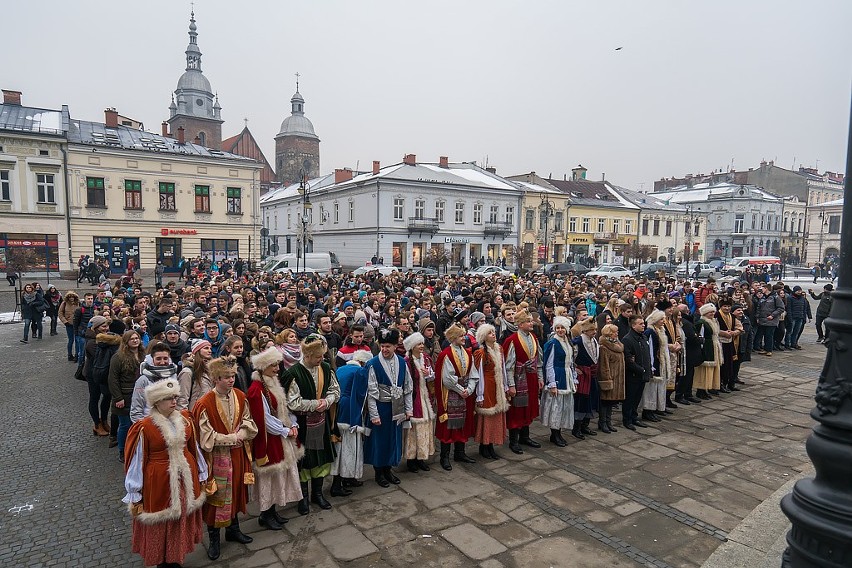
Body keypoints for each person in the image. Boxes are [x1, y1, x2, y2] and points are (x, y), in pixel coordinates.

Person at [122, 378, 208, 568]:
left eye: (175, 397)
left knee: (181, 518)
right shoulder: (144, 427)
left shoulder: (185, 419)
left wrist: (202, 474)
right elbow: (136, 460)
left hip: (185, 478)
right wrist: (134, 491)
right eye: (168, 398)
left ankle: (176, 557)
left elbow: (194, 449)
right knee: (162, 520)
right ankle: (163, 560)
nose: (173, 402)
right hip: (159, 482)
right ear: (156, 402)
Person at [194, 356, 258, 561]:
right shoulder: (204, 403)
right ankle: (213, 539)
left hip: (238, 454)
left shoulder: (240, 395)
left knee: (237, 490)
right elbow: (206, 437)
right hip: (217, 458)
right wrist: (233, 438)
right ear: (215, 379)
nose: (231, 380)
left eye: (232, 376)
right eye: (226, 377)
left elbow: (248, 420)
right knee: (217, 496)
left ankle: (233, 529)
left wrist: (243, 434)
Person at [282, 333, 340, 515]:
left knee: (320, 458)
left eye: (322, 356)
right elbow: (292, 402)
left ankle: (318, 493)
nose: (321, 359)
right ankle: (303, 498)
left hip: (322, 423)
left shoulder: (324, 367)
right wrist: (316, 404)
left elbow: (335, 390)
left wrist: (328, 401)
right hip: (302, 425)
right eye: (317, 356)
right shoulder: (293, 373)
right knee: (304, 460)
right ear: (306, 356)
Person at [247, 347, 304, 531]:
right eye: (274, 365)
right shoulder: (257, 390)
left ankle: (272, 511)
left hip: (279, 436)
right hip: (270, 439)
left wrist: (292, 424)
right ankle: (266, 513)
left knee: (277, 476)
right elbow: (264, 418)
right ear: (263, 367)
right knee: (270, 476)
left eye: (277, 364)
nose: (277, 368)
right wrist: (285, 431)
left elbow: (282, 410)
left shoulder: (271, 382)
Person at [364, 328, 414, 487]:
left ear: (394, 346)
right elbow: (371, 393)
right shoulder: (372, 364)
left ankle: (388, 469)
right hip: (381, 407)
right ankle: (379, 472)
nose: (384, 349)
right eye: (382, 346)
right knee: (380, 441)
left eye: (388, 346)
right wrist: (374, 415)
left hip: (397, 408)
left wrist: (409, 408)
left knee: (393, 439)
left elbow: (408, 386)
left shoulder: (401, 361)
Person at [434, 323, 478, 470]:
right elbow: (447, 378)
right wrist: (461, 390)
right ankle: (444, 456)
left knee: (463, 422)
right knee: (449, 424)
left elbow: (473, 373)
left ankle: (460, 452)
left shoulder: (468, 353)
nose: (463, 338)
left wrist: (470, 389)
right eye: (460, 336)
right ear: (453, 338)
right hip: (452, 394)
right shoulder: (445, 354)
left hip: (465, 392)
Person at [331, 349, 373, 494]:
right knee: (349, 446)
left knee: (340, 445)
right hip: (351, 410)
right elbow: (361, 396)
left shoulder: (341, 369)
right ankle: (338, 483)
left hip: (338, 408)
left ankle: (347, 477)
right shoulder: (360, 372)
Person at [503, 309, 543, 453]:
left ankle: (525, 436)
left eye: (531, 320)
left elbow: (538, 361)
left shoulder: (533, 337)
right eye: (528, 321)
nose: (531, 323)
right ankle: (513, 440)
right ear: (520, 324)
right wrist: (511, 385)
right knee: (517, 410)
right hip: (519, 379)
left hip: (531, 377)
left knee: (529, 407)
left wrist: (540, 377)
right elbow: (508, 366)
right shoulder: (512, 340)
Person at [109, 330, 146, 462]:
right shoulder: (118, 357)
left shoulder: (144, 354)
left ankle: (136, 448)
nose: (135, 341)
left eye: (137, 338)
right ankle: (122, 450)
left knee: (138, 424)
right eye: (132, 339)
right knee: (125, 425)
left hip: (141, 395)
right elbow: (113, 379)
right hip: (125, 395)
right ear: (126, 341)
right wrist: (118, 398)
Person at [403, 331, 437, 470]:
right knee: (414, 430)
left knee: (425, 427)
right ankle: (411, 459)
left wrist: (429, 375)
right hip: (415, 398)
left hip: (425, 397)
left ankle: (421, 457)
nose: (422, 346)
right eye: (419, 344)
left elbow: (432, 377)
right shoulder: (406, 362)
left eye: (422, 343)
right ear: (412, 347)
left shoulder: (426, 358)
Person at [540, 316, 576, 445]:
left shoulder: (567, 342)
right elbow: (549, 364)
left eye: (562, 328)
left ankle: (558, 433)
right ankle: (554, 434)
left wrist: (573, 376)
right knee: (556, 406)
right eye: (558, 328)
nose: (560, 330)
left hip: (566, 375)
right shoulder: (552, 343)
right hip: (557, 375)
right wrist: (552, 383)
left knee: (564, 406)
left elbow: (571, 362)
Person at [130, 342, 180, 423]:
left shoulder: (173, 375)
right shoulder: (144, 379)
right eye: (158, 359)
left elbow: (177, 400)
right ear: (152, 359)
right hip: (149, 422)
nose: (162, 362)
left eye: (165, 358)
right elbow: (136, 409)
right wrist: (141, 429)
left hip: (170, 423)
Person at [621, 314, 651, 430]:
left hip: (642, 374)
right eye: (641, 324)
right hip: (633, 375)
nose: (643, 325)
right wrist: (640, 369)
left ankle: (634, 417)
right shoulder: (627, 339)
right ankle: (627, 420)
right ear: (633, 325)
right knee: (630, 398)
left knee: (637, 398)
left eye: (643, 323)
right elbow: (628, 359)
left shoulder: (643, 337)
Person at [572, 319, 601, 437]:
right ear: (585, 330)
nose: (594, 332)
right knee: (581, 401)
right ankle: (576, 428)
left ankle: (585, 425)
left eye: (595, 329)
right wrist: (575, 369)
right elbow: (570, 358)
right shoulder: (577, 342)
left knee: (591, 399)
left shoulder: (594, 341)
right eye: (591, 330)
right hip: (582, 376)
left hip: (592, 375)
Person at [597, 323, 625, 433]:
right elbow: (604, 366)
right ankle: (602, 422)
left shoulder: (617, 345)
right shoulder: (604, 347)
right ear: (610, 333)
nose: (617, 333)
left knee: (611, 403)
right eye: (615, 332)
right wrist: (607, 380)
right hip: (610, 378)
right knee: (605, 402)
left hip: (618, 378)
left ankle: (609, 422)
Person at [693, 303, 722, 400]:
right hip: (707, 347)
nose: (712, 313)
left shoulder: (713, 321)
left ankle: (708, 388)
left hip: (714, 346)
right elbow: (699, 335)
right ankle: (700, 390)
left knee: (712, 369)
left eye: (713, 311)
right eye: (710, 312)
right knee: (704, 369)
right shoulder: (702, 322)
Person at [178, 339, 213, 411]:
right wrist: (186, 419)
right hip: (194, 414)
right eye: (206, 348)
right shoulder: (187, 372)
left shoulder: (211, 370)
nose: (210, 351)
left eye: (210, 348)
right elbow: (182, 399)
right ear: (197, 350)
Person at [58, 291, 81, 361]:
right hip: (69, 324)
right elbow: (60, 313)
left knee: (77, 340)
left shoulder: (78, 303)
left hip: (77, 324)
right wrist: (65, 321)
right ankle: (69, 354)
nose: (71, 298)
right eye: (70, 297)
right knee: (71, 340)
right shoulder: (64, 303)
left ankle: (77, 354)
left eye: (72, 297)